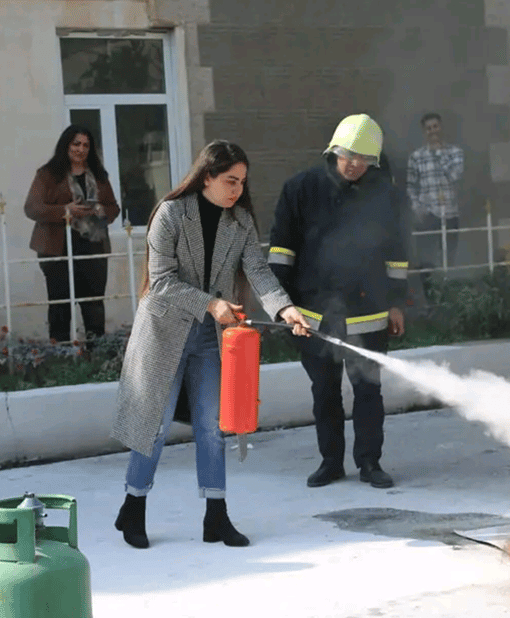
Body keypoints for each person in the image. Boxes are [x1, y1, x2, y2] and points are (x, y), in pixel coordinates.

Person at [110, 141, 311, 549]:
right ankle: (133, 506)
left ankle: (215, 517)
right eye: (229, 180)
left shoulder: (239, 221)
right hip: (163, 333)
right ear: (207, 177)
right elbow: (162, 281)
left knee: (211, 426)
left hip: (209, 337)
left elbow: (258, 269)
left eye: (242, 182)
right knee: (155, 423)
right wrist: (212, 303)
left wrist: (284, 310)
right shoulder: (170, 213)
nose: (237, 189)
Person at [269, 114, 409, 489]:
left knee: (368, 390)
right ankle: (331, 462)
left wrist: (397, 303)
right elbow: (281, 252)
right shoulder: (301, 189)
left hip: (370, 313)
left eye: (364, 159)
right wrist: (282, 306)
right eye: (348, 156)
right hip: (313, 315)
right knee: (324, 390)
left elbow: (397, 254)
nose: (355, 165)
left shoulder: (385, 195)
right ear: (333, 151)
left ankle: (370, 463)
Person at [24, 125, 120, 344]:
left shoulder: (98, 174)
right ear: (66, 145)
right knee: (60, 305)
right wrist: (65, 211)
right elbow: (32, 208)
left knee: (93, 304)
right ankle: (61, 355)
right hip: (58, 247)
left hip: (93, 245)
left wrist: (101, 210)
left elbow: (113, 207)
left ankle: (97, 354)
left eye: (86, 145)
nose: (81, 149)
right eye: (76, 144)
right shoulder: (48, 174)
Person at [407, 112, 464, 288]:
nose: (433, 131)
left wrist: (439, 153)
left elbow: (455, 177)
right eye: (428, 128)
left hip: (450, 213)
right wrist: (417, 207)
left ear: (441, 127)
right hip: (428, 215)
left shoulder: (455, 153)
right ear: (424, 132)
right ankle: (430, 297)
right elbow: (411, 186)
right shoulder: (416, 157)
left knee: (448, 258)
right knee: (427, 259)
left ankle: (447, 292)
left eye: (435, 127)